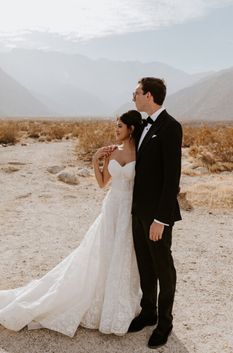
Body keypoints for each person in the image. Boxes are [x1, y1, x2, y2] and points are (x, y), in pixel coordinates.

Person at [0, 110, 143, 337]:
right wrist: (96, 159)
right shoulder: (111, 152)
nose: (116, 130)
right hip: (112, 207)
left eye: (119, 126)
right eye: (116, 126)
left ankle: (117, 303)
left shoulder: (142, 152)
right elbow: (103, 183)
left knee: (123, 255)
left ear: (131, 129)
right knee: (103, 253)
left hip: (130, 211)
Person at [128, 77, 182, 349]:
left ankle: (165, 321)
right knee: (144, 263)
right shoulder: (140, 127)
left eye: (136, 92)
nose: (133, 97)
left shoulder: (171, 127)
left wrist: (161, 219)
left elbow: (172, 178)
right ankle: (148, 311)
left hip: (158, 215)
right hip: (137, 211)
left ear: (148, 95)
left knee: (163, 267)